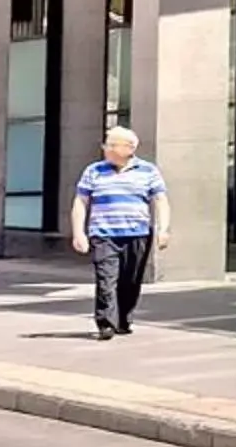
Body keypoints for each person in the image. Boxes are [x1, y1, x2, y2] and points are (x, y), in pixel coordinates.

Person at [70, 126, 169, 340]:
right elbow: (81, 202)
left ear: (129, 148)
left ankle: (123, 319)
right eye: (107, 143)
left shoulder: (148, 171)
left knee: (130, 280)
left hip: (138, 233)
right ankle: (105, 323)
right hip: (104, 233)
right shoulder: (94, 171)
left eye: (112, 144)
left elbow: (161, 201)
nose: (106, 148)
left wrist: (164, 229)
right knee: (106, 279)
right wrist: (79, 233)